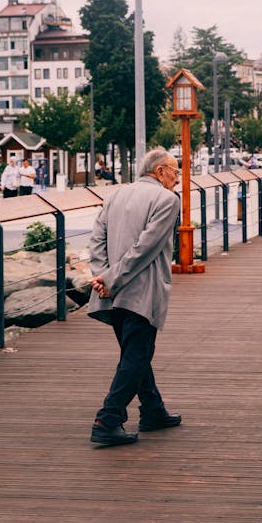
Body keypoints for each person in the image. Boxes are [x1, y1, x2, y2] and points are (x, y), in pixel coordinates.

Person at [88, 146, 181, 446]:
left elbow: (97, 238)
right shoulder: (167, 200)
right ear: (160, 171)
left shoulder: (115, 194)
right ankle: (108, 418)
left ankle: (153, 410)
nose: (177, 178)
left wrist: (102, 276)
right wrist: (111, 279)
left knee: (135, 352)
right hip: (142, 291)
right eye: (175, 171)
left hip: (112, 294)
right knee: (137, 355)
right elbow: (145, 248)